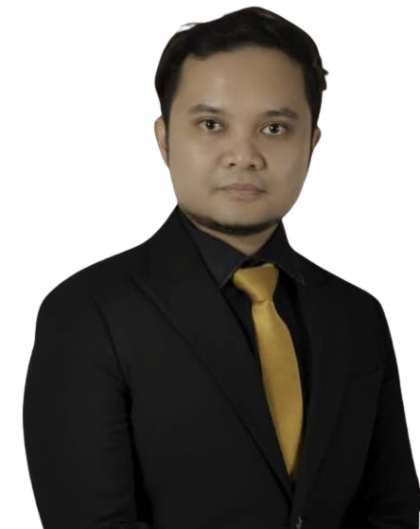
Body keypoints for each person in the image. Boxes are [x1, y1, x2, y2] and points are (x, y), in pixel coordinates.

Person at [21, 6, 419, 529]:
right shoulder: (87, 313)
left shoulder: (358, 314)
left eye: (274, 127)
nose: (244, 155)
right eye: (211, 125)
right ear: (163, 139)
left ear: (312, 144)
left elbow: (394, 510)